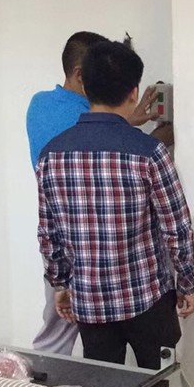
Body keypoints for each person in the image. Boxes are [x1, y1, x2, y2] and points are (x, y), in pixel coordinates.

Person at [36, 40, 194, 387]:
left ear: (85, 86)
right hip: (148, 298)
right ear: (133, 92)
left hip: (90, 302)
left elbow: (49, 233)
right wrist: (187, 284)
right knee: (158, 382)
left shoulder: (53, 155)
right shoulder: (148, 153)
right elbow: (178, 228)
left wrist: (61, 284)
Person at [27, 31, 156, 355]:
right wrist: (143, 133)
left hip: (63, 237)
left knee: (60, 332)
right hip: (93, 245)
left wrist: (129, 120)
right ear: (81, 74)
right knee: (74, 329)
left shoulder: (40, 103)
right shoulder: (80, 122)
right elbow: (103, 150)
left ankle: (48, 379)